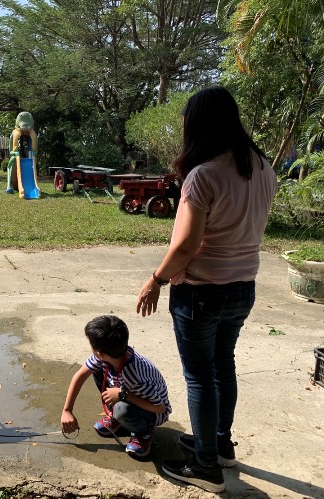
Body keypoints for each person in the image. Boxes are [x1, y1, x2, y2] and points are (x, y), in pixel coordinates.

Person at [135, 86, 277, 493]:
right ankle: (219, 444)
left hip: (200, 293)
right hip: (242, 287)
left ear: (198, 126)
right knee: (223, 366)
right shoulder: (264, 167)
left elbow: (184, 246)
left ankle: (205, 466)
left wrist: (156, 280)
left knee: (200, 377)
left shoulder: (204, 175)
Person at [61, 315, 171, 459]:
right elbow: (80, 375)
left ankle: (144, 433)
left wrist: (123, 394)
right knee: (97, 371)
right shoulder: (108, 357)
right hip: (126, 393)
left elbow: (160, 408)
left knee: (121, 410)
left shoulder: (135, 375)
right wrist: (67, 410)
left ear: (99, 352)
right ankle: (118, 420)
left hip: (153, 410)